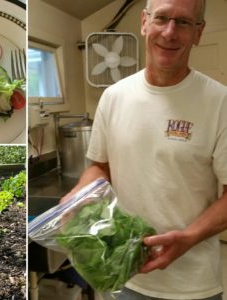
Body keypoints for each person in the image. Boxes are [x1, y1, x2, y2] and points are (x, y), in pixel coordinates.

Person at [62, 0, 227, 299]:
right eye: (162, 18)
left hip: (193, 284)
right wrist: (77, 195)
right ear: (144, 22)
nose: (169, 32)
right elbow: (100, 166)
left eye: (184, 22)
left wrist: (188, 238)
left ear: (198, 32)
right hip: (124, 272)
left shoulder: (220, 103)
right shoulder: (113, 96)